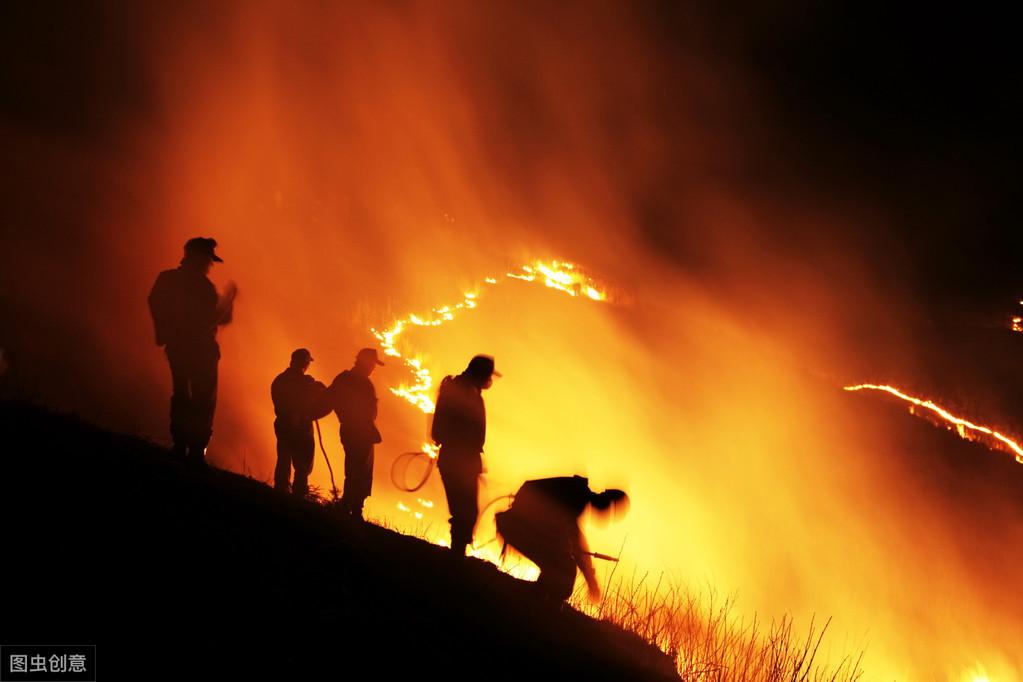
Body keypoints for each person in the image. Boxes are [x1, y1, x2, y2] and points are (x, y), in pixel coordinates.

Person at [148, 237, 236, 465]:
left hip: (177, 348)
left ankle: (179, 445)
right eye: (209, 259)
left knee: (181, 395)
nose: (210, 265)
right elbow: (220, 317)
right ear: (200, 258)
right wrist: (229, 300)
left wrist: (164, 333)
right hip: (202, 352)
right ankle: (196, 451)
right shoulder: (203, 288)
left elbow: (155, 302)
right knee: (202, 400)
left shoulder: (167, 279)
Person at [495, 476, 628, 603]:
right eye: (610, 508)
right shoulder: (577, 496)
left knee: (561, 568)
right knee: (562, 569)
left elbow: (572, 540)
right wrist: (591, 580)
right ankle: (531, 600)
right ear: (605, 496)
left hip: (516, 525)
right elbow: (575, 541)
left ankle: (535, 599)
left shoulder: (578, 495)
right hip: (516, 526)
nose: (607, 514)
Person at [430, 354, 499, 557]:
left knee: (465, 509)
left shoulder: (463, 388)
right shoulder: (463, 391)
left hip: (460, 457)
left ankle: (457, 552)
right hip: (459, 458)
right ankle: (456, 555)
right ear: (480, 373)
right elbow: (460, 427)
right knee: (465, 510)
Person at [324, 348, 384, 519]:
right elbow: (368, 412)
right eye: (373, 364)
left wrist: (312, 411)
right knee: (359, 470)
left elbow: (328, 399)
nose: (374, 368)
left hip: (352, 431)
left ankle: (350, 506)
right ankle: (353, 509)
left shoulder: (344, 378)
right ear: (365, 362)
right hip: (360, 432)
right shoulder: (363, 383)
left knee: (354, 469)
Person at [270, 348, 328, 498]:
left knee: (284, 456)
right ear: (305, 363)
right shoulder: (307, 383)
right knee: (303, 464)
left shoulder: (279, 380)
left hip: (283, 424)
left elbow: (279, 403)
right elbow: (322, 397)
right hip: (301, 428)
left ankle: (280, 489)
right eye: (308, 362)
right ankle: (299, 494)